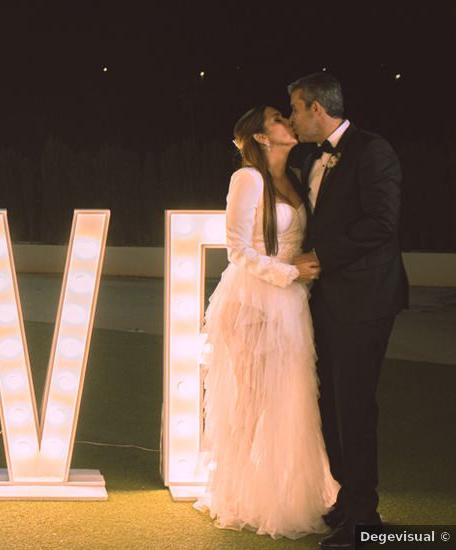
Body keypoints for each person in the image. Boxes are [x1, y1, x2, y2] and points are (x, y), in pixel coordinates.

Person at [194, 105, 339, 540]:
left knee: (288, 401)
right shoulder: (248, 178)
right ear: (259, 136)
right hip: (254, 298)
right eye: (279, 118)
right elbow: (236, 248)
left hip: (291, 302)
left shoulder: (293, 177)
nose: (288, 123)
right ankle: (241, 497)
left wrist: (298, 279)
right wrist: (289, 272)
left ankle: (284, 495)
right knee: (252, 401)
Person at [287, 72, 408, 549]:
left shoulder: (372, 150)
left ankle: (365, 520)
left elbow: (382, 222)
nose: (293, 118)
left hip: (366, 300)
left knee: (354, 407)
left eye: (295, 108)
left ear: (317, 108)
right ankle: (346, 501)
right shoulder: (309, 160)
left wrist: (323, 258)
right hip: (328, 302)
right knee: (330, 406)